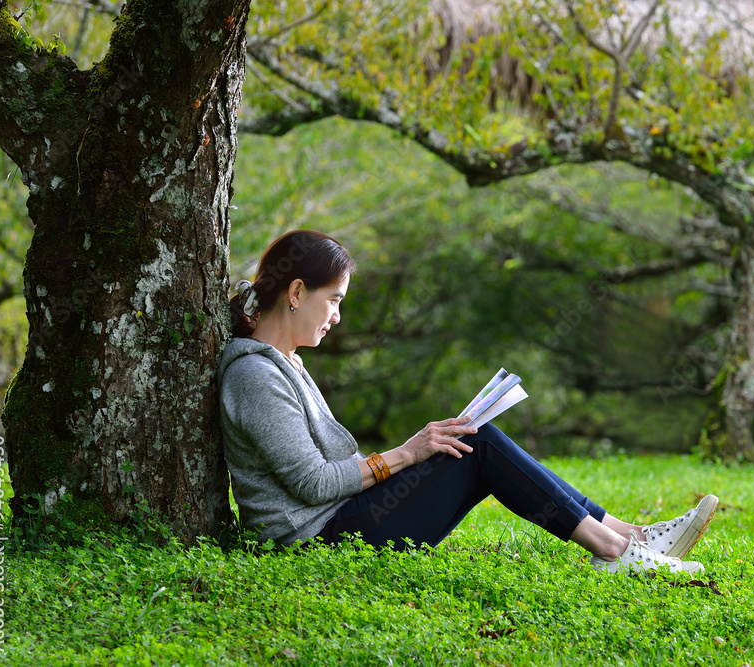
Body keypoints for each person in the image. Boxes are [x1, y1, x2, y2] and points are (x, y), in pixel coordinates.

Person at [219, 230, 719, 576]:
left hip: (338, 519)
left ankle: (632, 536)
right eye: (335, 301)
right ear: (297, 291)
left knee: (474, 437)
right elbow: (311, 483)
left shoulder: (285, 363)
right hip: (313, 543)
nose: (337, 318)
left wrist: (410, 455)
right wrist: (407, 454)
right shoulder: (255, 375)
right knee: (477, 447)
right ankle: (616, 549)